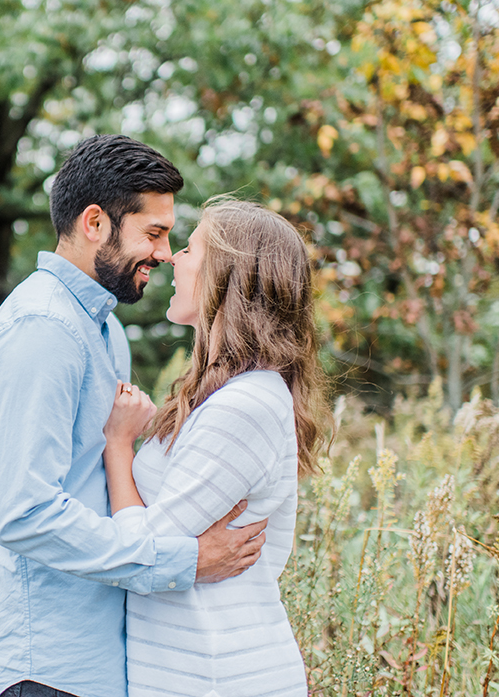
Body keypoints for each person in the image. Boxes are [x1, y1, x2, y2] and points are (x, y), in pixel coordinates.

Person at [0, 136, 269, 697]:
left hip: (103, 661)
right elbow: (25, 513)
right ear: (95, 223)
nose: (163, 252)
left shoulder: (104, 329)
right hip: (48, 668)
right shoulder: (43, 330)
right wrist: (182, 559)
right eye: (153, 233)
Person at [101, 197, 330, 697]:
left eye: (188, 248)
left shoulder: (244, 406)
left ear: (229, 275)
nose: (171, 258)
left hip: (221, 675)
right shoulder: (225, 396)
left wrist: (119, 447)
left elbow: (143, 558)